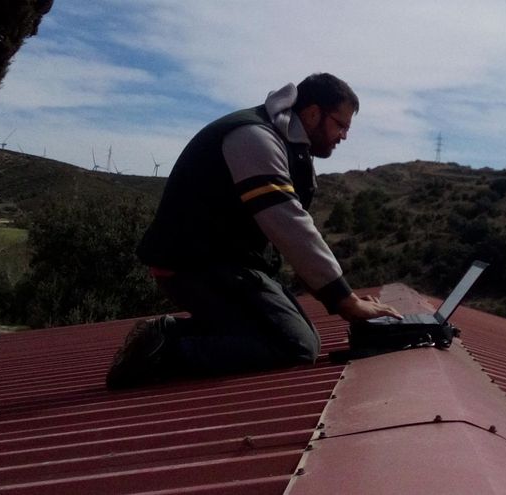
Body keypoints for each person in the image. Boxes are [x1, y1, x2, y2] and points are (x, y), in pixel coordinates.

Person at [106, 73, 401, 389]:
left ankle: (165, 335)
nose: (343, 136)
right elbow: (289, 226)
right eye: (340, 125)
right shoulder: (254, 138)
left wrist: (347, 298)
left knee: (295, 335)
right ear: (314, 113)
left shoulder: (286, 143)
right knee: (296, 345)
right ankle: (162, 351)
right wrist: (347, 302)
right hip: (193, 266)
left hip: (219, 263)